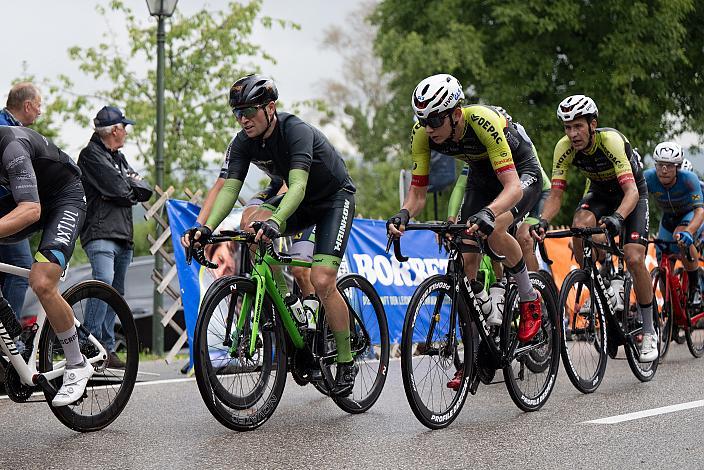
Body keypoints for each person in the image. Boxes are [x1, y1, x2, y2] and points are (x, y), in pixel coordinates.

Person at [183, 74, 358, 396]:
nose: (243, 119)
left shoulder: (296, 132)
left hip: (332, 200)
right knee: (251, 228)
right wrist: (206, 228)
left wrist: (277, 220)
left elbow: (299, 186)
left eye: (249, 111)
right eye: (237, 113)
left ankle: (346, 359)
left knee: (321, 280)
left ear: (270, 108)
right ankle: (288, 301)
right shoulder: (243, 141)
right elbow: (230, 189)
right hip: (300, 203)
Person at [388, 74, 544, 345]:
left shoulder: (482, 121)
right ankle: (473, 349)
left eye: (434, 120)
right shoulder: (422, 136)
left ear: (456, 114)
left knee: (494, 228)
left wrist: (490, 213)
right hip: (481, 173)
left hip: (520, 171)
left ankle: (529, 298)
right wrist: (404, 213)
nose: (428, 129)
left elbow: (513, 188)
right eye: (422, 121)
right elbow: (417, 194)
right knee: (466, 250)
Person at [532, 94, 657, 362]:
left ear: (592, 124)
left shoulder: (611, 141)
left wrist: (618, 218)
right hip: (599, 192)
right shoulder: (563, 147)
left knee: (634, 257)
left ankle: (649, 331)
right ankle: (603, 278)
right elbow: (555, 196)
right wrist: (542, 221)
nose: (573, 133)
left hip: (631, 194)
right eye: (567, 127)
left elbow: (631, 192)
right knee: (579, 227)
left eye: (578, 126)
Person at [0, 125, 89, 406]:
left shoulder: (11, 145)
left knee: (41, 281)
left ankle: (77, 363)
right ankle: (11, 328)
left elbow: (31, 209)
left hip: (64, 198)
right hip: (25, 199)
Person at [78, 106, 141, 369]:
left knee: (116, 293)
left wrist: (123, 187)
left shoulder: (119, 158)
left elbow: (140, 188)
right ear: (115, 130)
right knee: (103, 282)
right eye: (124, 127)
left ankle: (106, 349)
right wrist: (124, 187)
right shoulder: (90, 155)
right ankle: (87, 345)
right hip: (100, 231)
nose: (126, 132)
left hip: (123, 234)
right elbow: (121, 188)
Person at [0, 82, 43, 323]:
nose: (39, 111)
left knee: (7, 271)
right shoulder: (7, 129)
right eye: (38, 105)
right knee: (21, 267)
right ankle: (10, 341)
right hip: (7, 208)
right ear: (27, 105)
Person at [645, 142, 704, 305]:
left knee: (680, 236)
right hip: (668, 218)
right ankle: (670, 309)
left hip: (688, 215)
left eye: (669, 166)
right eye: (660, 165)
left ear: (678, 167)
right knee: (661, 256)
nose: (664, 170)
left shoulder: (689, 179)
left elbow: (700, 211)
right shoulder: (648, 177)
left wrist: (689, 231)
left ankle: (694, 286)